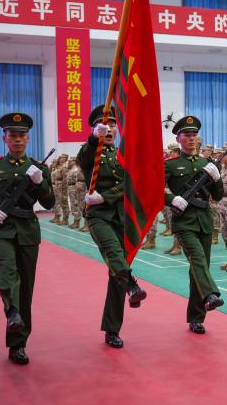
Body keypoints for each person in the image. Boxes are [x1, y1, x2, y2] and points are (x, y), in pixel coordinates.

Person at [0, 112, 55, 365]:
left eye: (22, 135)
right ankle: (12, 312)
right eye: (12, 135)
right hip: (1, 229)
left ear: (28, 139)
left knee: (25, 288)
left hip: (27, 230)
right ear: (4, 138)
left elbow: (49, 202)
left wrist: (40, 182)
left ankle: (18, 345)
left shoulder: (39, 167)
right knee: (7, 270)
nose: (17, 139)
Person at [77, 105, 147, 349]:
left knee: (116, 274)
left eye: (112, 125)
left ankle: (112, 330)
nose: (108, 129)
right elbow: (84, 159)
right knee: (115, 255)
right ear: (96, 128)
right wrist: (92, 138)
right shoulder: (91, 152)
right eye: (103, 125)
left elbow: (130, 182)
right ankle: (133, 284)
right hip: (98, 216)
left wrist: (106, 196)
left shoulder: (123, 155)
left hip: (121, 217)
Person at [165, 116, 225, 334]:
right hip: (184, 222)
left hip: (204, 222)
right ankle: (211, 294)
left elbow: (218, 196)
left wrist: (217, 178)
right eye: (187, 135)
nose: (191, 139)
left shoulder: (206, 164)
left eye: (194, 135)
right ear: (178, 139)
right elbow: (155, 188)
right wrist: (171, 199)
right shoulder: (171, 164)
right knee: (198, 259)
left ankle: (196, 318)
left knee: (199, 270)